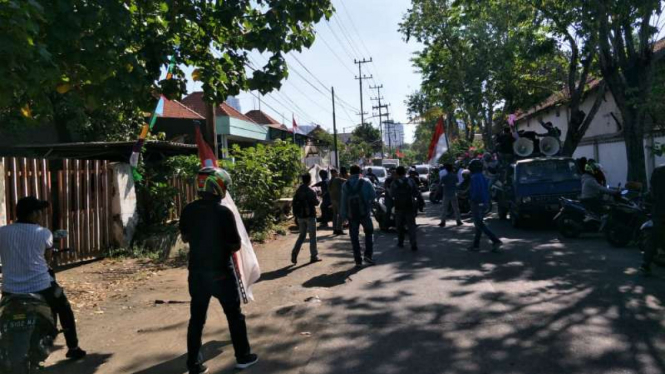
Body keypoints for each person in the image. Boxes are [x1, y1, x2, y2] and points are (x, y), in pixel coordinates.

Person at [179, 167, 258, 373]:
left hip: (196, 272)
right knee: (234, 316)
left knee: (196, 318)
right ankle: (243, 356)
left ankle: (193, 364)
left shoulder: (188, 209)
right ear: (219, 186)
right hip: (221, 272)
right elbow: (235, 244)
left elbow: (186, 237)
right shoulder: (224, 212)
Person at [0, 196, 87, 362]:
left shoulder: (2, 232)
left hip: (10, 290)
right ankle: (73, 347)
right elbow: (47, 260)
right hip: (41, 287)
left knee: (4, 318)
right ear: (32, 214)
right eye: (40, 212)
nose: (42, 215)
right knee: (64, 308)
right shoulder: (44, 233)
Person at [341, 165, 377, 267]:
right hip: (365, 213)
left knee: (354, 237)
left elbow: (343, 203)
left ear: (350, 173)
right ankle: (368, 256)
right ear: (360, 172)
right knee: (369, 233)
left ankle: (358, 261)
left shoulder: (345, 185)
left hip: (352, 216)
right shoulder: (366, 181)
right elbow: (373, 195)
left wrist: (343, 217)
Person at [468, 160, 503, 252]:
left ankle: (496, 241)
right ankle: (476, 245)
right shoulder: (482, 176)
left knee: (479, 224)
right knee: (478, 224)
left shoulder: (474, 177)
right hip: (484, 202)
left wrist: (472, 199)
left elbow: (475, 192)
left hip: (477, 203)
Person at [291, 173, 321, 263]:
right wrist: (318, 196)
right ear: (309, 180)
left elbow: (294, 202)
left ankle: (295, 252)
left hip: (300, 216)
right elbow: (316, 203)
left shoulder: (298, 190)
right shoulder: (311, 191)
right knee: (312, 237)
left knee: (302, 235)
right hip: (310, 216)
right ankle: (314, 256)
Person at [640, 165, 665, 275]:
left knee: (654, 237)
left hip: (658, 210)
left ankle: (645, 264)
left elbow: (652, 191)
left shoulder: (658, 170)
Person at [391, 166, 419, 251]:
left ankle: (400, 242)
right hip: (409, 206)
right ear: (404, 172)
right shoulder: (410, 181)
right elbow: (416, 193)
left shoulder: (394, 183)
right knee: (411, 226)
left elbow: (392, 195)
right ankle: (413, 243)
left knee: (399, 226)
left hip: (398, 207)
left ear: (397, 173)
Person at [328, 168, 347, 236]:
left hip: (333, 200)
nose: (337, 173)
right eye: (336, 172)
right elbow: (347, 181)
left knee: (335, 215)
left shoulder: (330, 181)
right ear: (333, 173)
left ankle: (335, 229)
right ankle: (339, 229)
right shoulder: (337, 179)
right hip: (338, 199)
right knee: (341, 215)